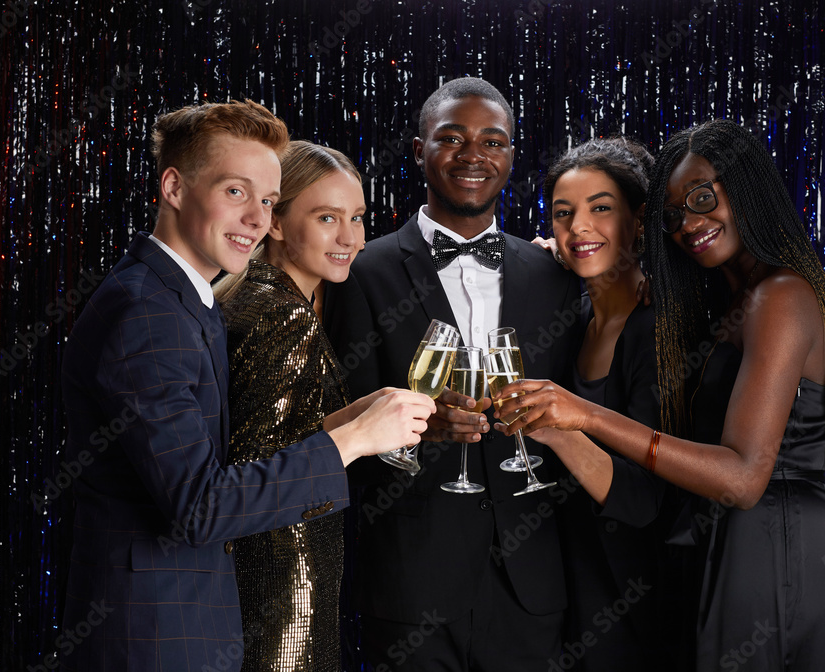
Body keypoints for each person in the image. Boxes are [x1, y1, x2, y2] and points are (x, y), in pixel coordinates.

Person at [59, 101, 434, 671]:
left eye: (266, 199)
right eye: (237, 192)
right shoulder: (146, 311)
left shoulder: (189, 299)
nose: (257, 218)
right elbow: (201, 506)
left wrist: (349, 424)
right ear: (174, 187)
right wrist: (351, 441)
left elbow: (224, 461)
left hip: (192, 624)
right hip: (156, 637)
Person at [493, 118, 825, 671]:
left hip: (778, 551)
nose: (690, 223)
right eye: (675, 214)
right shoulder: (728, 300)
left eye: (702, 197)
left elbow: (741, 479)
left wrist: (582, 415)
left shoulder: (780, 296)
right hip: (736, 547)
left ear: (747, 187)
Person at [324, 77, 583, 670]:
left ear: (511, 157)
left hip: (532, 586)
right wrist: (411, 432)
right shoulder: (362, 272)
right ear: (419, 151)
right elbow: (339, 431)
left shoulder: (556, 275)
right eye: (452, 138)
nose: (474, 155)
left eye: (493, 141)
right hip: (412, 583)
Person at [212, 140, 386, 671]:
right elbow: (254, 477)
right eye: (327, 217)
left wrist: (358, 417)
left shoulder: (257, 297)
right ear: (278, 223)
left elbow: (270, 436)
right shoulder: (282, 316)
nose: (350, 238)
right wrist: (358, 438)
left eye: (357, 218)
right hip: (284, 586)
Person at [536, 137, 670, 670]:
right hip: (570, 586)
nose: (578, 228)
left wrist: (553, 426)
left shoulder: (658, 329)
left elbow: (643, 500)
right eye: (564, 214)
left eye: (600, 209)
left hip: (637, 597)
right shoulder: (570, 316)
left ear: (639, 220)